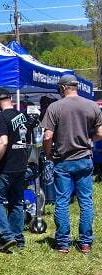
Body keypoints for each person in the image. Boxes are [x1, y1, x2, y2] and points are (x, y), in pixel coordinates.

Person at [41, 74, 102, 253]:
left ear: (63, 88)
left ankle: (63, 243)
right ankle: (85, 242)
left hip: (63, 161)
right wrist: (89, 140)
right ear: (75, 87)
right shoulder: (91, 105)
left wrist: (48, 153)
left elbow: (47, 136)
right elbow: (100, 132)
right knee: (86, 201)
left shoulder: (55, 107)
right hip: (84, 159)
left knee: (62, 201)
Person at [0, 89, 29, 252]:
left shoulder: (1, 117)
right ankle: (18, 239)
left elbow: (3, 142)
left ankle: (7, 236)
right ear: (11, 99)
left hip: (7, 166)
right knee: (17, 201)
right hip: (21, 164)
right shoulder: (22, 116)